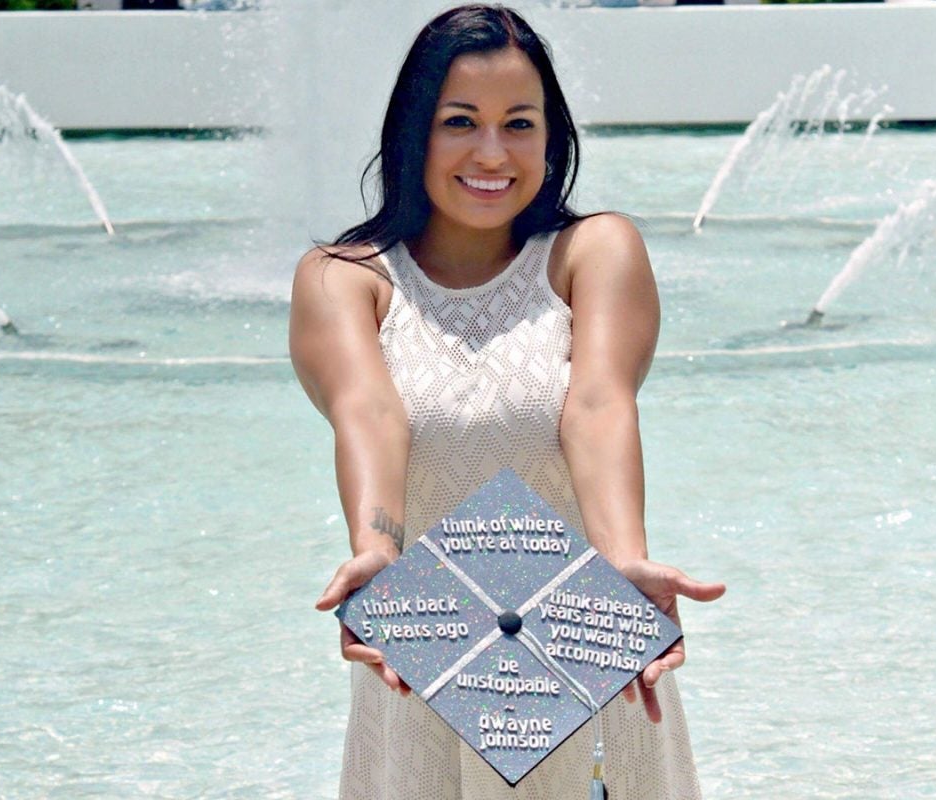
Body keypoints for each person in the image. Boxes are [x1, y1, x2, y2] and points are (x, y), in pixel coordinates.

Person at [289, 5, 725, 798]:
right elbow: (370, 412)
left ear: (550, 137)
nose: (491, 153)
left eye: (518, 123)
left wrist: (624, 557)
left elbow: (596, 404)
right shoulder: (341, 277)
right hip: (423, 652)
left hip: (582, 647)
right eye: (460, 121)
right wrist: (376, 548)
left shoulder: (592, 252)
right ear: (413, 131)